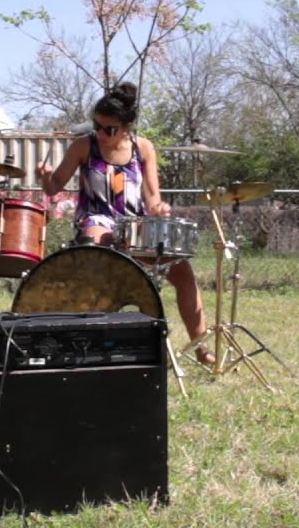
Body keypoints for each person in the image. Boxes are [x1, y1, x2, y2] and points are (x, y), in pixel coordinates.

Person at [36, 83, 217, 364]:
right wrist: (46, 178)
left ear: (127, 127)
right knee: (97, 244)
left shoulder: (143, 148)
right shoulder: (83, 146)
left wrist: (160, 209)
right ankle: (92, 341)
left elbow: (153, 197)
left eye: (109, 129)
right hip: (96, 218)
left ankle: (201, 347)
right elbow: (54, 187)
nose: (100, 133)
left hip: (135, 222)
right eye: (97, 125)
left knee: (182, 271)